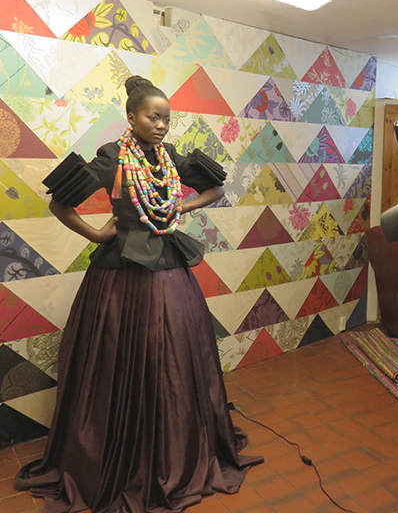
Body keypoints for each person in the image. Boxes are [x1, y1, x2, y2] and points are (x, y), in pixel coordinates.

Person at [15, 76, 263, 512]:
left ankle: (175, 447)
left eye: (167, 118)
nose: (162, 125)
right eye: (154, 117)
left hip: (169, 267)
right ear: (132, 117)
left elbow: (216, 188)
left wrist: (181, 206)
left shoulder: (170, 158)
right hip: (120, 275)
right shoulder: (112, 158)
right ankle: (119, 452)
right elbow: (59, 204)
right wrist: (97, 234)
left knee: (174, 357)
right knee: (120, 357)